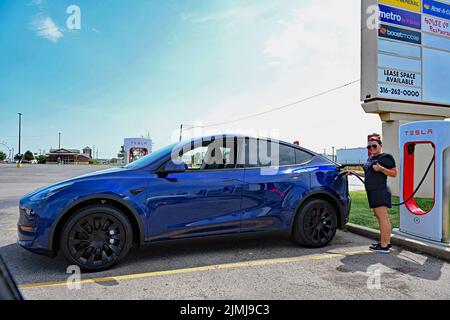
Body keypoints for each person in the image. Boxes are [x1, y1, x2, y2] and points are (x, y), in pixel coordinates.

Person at [350, 137, 397, 253]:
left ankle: (384, 246)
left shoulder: (385, 157)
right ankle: (385, 242)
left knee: (383, 217)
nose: (371, 148)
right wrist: (354, 172)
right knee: (380, 217)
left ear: (380, 146)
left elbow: (394, 173)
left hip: (380, 191)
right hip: (372, 191)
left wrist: (381, 169)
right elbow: (368, 174)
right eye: (369, 146)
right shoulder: (370, 158)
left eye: (374, 146)